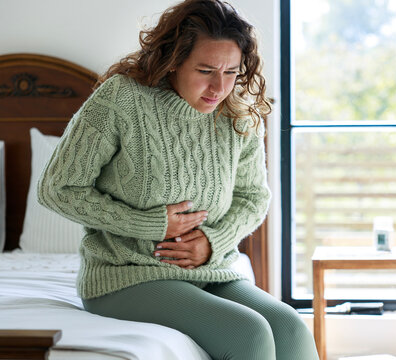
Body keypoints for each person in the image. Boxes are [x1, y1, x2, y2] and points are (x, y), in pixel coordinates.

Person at [37, 0, 319, 359]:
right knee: (248, 333)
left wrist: (212, 242)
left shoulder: (240, 116)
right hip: (128, 276)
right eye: (206, 70)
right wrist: (149, 224)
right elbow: (58, 189)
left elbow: (252, 198)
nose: (219, 87)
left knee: (291, 327)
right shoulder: (121, 100)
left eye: (232, 72)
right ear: (173, 61)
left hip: (211, 269)